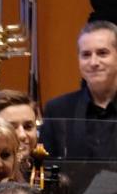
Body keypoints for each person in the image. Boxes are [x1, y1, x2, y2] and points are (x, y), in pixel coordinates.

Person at [42, 21, 117, 161]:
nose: (93, 62)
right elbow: (47, 169)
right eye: (86, 55)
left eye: (102, 53)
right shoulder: (58, 110)